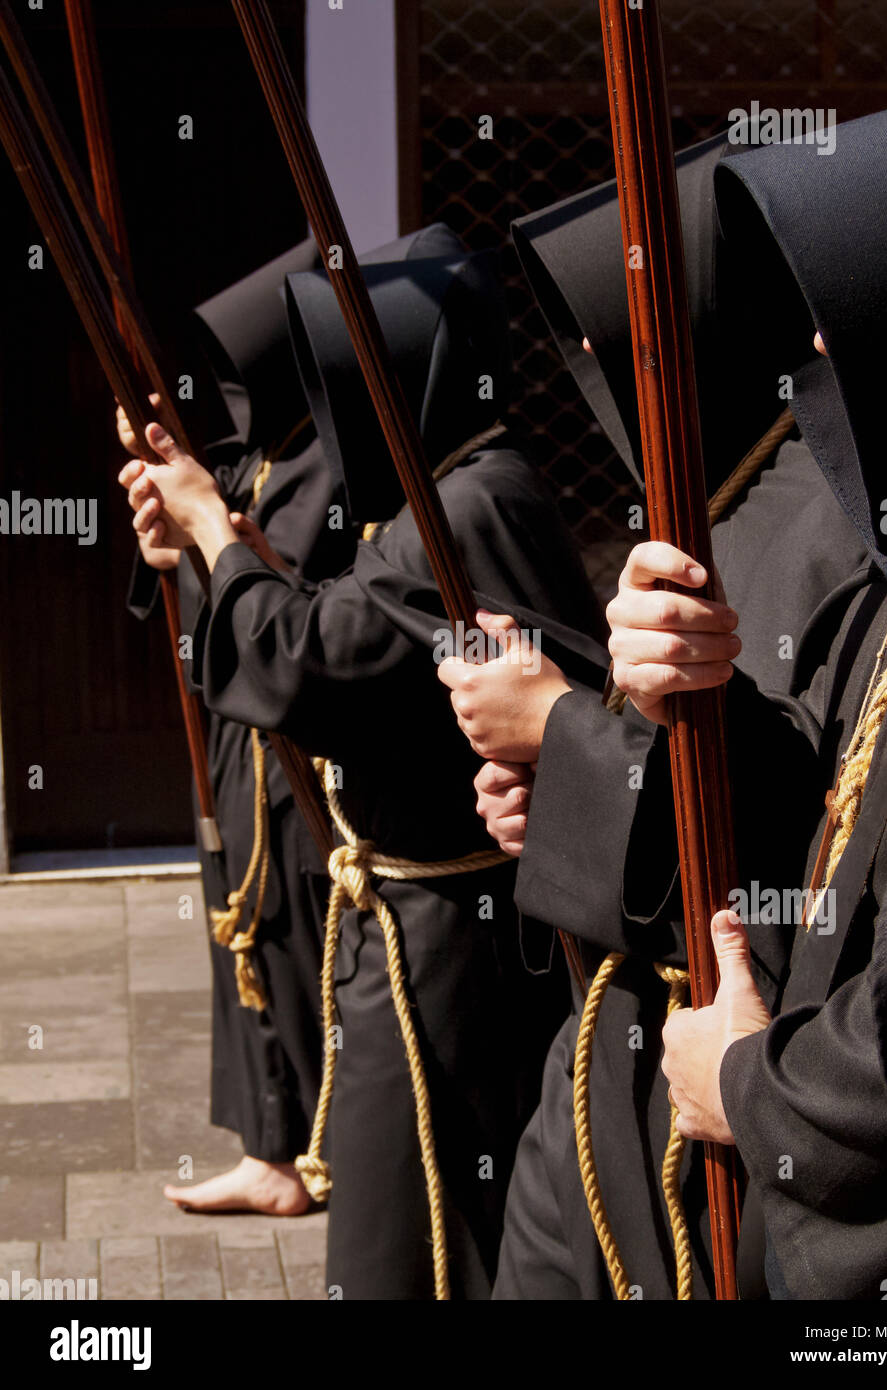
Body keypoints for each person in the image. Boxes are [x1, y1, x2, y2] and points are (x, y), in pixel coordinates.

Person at [118, 225, 609, 1299]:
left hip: (459, 949)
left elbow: (304, 658)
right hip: (421, 931)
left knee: (420, 1233)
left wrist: (213, 527)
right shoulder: (446, 492)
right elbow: (321, 619)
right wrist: (216, 547)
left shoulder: (472, 504)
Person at [438, 131, 870, 1297]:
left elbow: (807, 822)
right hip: (611, 1062)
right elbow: (673, 777)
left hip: (717, 1077)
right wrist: (563, 788)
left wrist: (563, 729)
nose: (592, 364)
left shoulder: (838, 528)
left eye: (612, 335)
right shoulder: (738, 501)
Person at [612, 86, 887, 1298]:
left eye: (847, 299)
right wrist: (687, 695)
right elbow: (841, 811)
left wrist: (749, 1084)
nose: (818, 345)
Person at [122, 239, 346, 1215]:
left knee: (298, 942)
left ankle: (323, 1139)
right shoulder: (251, 463)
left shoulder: (334, 472)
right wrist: (167, 543)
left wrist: (209, 532)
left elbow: (289, 607)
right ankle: (269, 1146)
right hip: (234, 740)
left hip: (294, 749)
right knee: (237, 931)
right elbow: (210, 586)